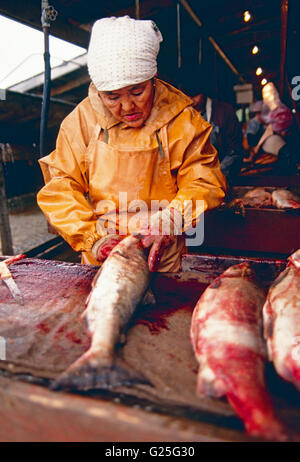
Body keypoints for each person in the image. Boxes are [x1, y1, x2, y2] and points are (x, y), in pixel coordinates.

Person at [37, 16, 226, 272]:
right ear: (98, 89)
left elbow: (204, 179)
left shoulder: (182, 119)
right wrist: (94, 239)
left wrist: (172, 218)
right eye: (112, 97)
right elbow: (60, 187)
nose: (127, 107)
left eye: (137, 92)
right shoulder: (80, 122)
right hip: (104, 255)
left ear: (153, 78)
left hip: (163, 253)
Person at [176, 68, 244, 185]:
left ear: (204, 92)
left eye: (195, 95)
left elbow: (235, 151)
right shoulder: (177, 115)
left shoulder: (224, 112)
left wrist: (216, 178)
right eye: (186, 96)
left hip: (221, 178)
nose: (190, 101)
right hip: (187, 180)